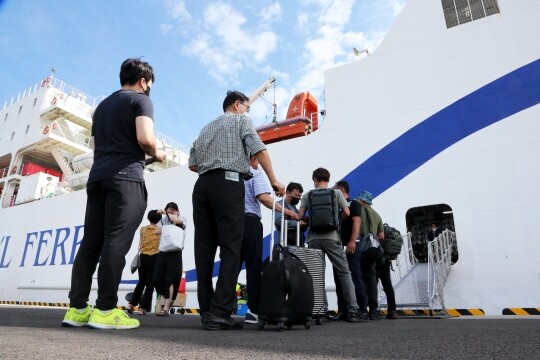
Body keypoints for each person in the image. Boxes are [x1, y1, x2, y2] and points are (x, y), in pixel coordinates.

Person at [61, 58, 166, 330]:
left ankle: (77, 309)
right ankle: (105, 310)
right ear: (144, 81)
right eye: (149, 85)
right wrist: (159, 153)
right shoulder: (141, 100)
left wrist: (141, 158)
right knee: (116, 243)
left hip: (98, 178)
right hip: (125, 180)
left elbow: (98, 149)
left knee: (91, 243)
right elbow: (144, 139)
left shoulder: (102, 107)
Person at [189, 90, 285, 331]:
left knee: (204, 251)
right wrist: (274, 179)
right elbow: (259, 148)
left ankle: (207, 311)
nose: (248, 111)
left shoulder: (205, 128)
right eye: (247, 106)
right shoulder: (241, 120)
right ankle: (219, 313)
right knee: (232, 248)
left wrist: (212, 166)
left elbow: (193, 164)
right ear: (237, 105)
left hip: (201, 186)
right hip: (229, 183)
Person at [297, 168, 364, 323]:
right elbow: (347, 213)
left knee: (317, 275)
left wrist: (311, 220)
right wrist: (334, 217)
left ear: (314, 178)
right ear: (328, 179)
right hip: (333, 238)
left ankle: (322, 312)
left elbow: (300, 216)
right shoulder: (337, 194)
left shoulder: (308, 195)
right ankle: (353, 311)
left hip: (314, 239)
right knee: (344, 273)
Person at [241, 156, 297, 324]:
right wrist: (287, 212)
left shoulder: (234, 174)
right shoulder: (254, 174)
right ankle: (254, 310)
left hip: (232, 224)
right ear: (253, 159)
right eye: (257, 160)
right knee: (253, 267)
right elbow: (264, 198)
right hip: (250, 222)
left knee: (231, 266)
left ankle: (222, 309)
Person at [331, 180, 369, 322]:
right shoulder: (337, 207)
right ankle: (343, 310)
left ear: (341, 190)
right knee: (338, 278)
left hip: (352, 244)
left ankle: (362, 310)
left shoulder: (353, 203)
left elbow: (356, 222)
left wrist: (352, 241)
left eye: (334, 189)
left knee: (355, 276)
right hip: (338, 246)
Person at [153, 202, 186, 316]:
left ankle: (166, 307)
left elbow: (176, 221)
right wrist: (167, 228)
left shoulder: (182, 218)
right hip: (163, 251)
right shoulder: (164, 221)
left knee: (170, 279)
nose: (171, 212)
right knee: (156, 279)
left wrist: (166, 213)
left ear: (177, 211)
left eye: (173, 210)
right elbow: (156, 231)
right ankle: (169, 299)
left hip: (175, 252)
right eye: (169, 210)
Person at [127, 209, 162, 315]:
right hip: (154, 258)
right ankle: (143, 308)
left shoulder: (142, 229)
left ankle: (131, 304)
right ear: (159, 219)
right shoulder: (160, 230)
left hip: (142, 258)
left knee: (141, 282)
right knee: (150, 284)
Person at [357, 190, 385, 320]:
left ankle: (361, 309)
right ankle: (373, 310)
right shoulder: (377, 215)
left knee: (359, 278)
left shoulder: (358, 211)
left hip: (360, 247)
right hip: (373, 249)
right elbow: (381, 236)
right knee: (371, 279)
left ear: (362, 200)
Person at [274, 182, 308, 246]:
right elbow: (278, 221)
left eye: (299, 196)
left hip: (298, 245)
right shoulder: (279, 205)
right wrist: (298, 223)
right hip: (284, 247)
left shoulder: (297, 210)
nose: (298, 198)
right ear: (287, 193)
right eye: (296, 195)